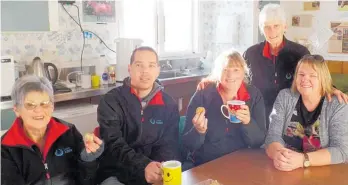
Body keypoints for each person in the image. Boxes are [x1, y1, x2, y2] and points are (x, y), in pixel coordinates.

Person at [198, 4, 348, 128]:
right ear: (261, 29)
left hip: (292, 116)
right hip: (259, 115)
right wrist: (213, 79)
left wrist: (331, 89)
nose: (272, 31)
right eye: (266, 27)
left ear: (285, 26)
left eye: (276, 26)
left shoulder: (300, 52)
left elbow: (315, 76)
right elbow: (236, 75)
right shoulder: (251, 53)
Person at [96, 46, 181, 185]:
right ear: (129, 68)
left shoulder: (168, 104)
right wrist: (143, 167)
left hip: (154, 174)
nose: (145, 71)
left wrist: (160, 170)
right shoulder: (111, 101)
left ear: (158, 70)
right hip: (116, 173)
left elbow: (169, 145)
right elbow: (114, 144)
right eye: (139, 65)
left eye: (151, 65)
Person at [1, 75, 104, 185]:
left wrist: (88, 161)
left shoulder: (68, 132)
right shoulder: (6, 149)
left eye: (44, 103)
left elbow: (87, 181)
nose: (39, 110)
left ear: (52, 106)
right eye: (30, 105)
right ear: (17, 110)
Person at [182, 50, 266, 166]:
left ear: (244, 72)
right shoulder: (203, 94)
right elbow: (188, 144)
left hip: (241, 163)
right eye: (225, 70)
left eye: (236, 70)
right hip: (206, 164)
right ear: (218, 73)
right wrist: (198, 131)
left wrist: (248, 122)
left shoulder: (254, 95)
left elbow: (259, 142)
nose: (230, 75)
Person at [265, 54, 348, 171]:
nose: (305, 79)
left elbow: (341, 150)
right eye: (301, 74)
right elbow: (272, 136)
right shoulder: (285, 97)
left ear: (323, 79)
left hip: (323, 172)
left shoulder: (338, 105)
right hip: (284, 168)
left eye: (312, 75)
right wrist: (279, 155)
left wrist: (302, 160)